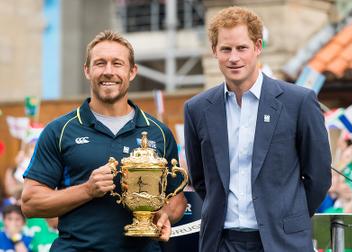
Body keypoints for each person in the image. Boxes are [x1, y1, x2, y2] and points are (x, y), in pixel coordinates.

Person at [21, 30, 187, 251]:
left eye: (117, 64)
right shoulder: (60, 130)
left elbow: (177, 198)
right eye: (100, 63)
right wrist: (87, 190)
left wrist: (164, 215)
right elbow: (31, 203)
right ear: (87, 71)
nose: (108, 72)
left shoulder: (158, 132)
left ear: (132, 71)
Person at [184, 6, 332, 252]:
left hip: (282, 242)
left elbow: (319, 176)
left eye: (241, 48)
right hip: (221, 242)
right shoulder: (197, 109)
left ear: (257, 47)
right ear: (214, 51)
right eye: (226, 49)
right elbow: (201, 179)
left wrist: (288, 216)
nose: (234, 58)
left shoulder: (298, 102)